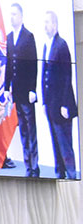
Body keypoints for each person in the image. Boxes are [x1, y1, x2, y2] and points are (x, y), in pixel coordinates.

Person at [3, 3, 41, 175]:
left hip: (27, 92)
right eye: (10, 14)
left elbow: (33, 65)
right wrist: (6, 87)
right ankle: (28, 166)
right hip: (16, 92)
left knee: (31, 130)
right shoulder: (9, 37)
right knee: (23, 131)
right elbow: (8, 64)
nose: (12, 17)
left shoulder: (28, 36)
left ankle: (35, 167)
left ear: (21, 16)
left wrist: (33, 89)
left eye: (15, 14)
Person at [42, 10, 76, 179]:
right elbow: (44, 75)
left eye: (47, 22)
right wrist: (44, 102)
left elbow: (67, 76)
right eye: (44, 22)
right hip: (50, 104)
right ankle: (59, 173)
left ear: (54, 25)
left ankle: (72, 175)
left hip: (61, 105)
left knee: (65, 144)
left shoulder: (62, 45)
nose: (45, 25)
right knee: (56, 141)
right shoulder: (46, 45)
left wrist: (64, 104)